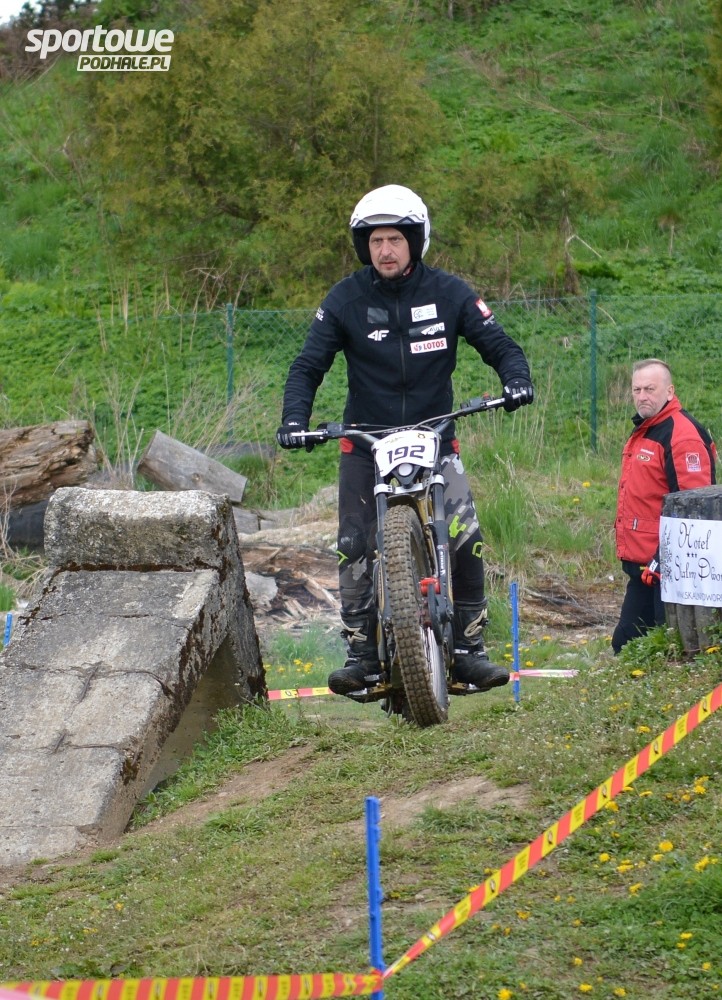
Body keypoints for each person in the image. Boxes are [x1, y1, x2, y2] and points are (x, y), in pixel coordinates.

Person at [276, 184, 534, 695]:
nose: (385, 250)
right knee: (353, 545)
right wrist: (293, 419)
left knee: (465, 538)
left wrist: (516, 380)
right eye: (375, 241)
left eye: (394, 239)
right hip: (365, 443)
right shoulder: (344, 299)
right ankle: (361, 656)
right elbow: (307, 365)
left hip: (436, 436)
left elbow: (499, 344)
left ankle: (470, 650)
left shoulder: (450, 293)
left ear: (415, 242)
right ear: (364, 247)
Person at [612, 358, 717, 654]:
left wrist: (662, 560)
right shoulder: (647, 429)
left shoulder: (681, 436)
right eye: (637, 390)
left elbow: (695, 511)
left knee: (673, 649)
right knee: (626, 645)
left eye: (650, 389)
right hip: (644, 568)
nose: (642, 396)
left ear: (669, 391)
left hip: (670, 571)